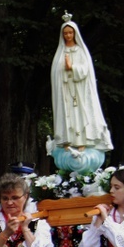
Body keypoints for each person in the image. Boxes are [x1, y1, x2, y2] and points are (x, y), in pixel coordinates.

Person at [49, 11, 113, 152]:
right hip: (65, 90)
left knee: (80, 114)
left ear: (74, 33)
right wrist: (63, 71)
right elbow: (55, 74)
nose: (68, 36)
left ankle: (82, 140)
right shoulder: (60, 53)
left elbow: (86, 70)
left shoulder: (80, 51)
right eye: (65, 33)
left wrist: (72, 67)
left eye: (70, 33)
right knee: (68, 115)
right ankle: (67, 139)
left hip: (79, 90)